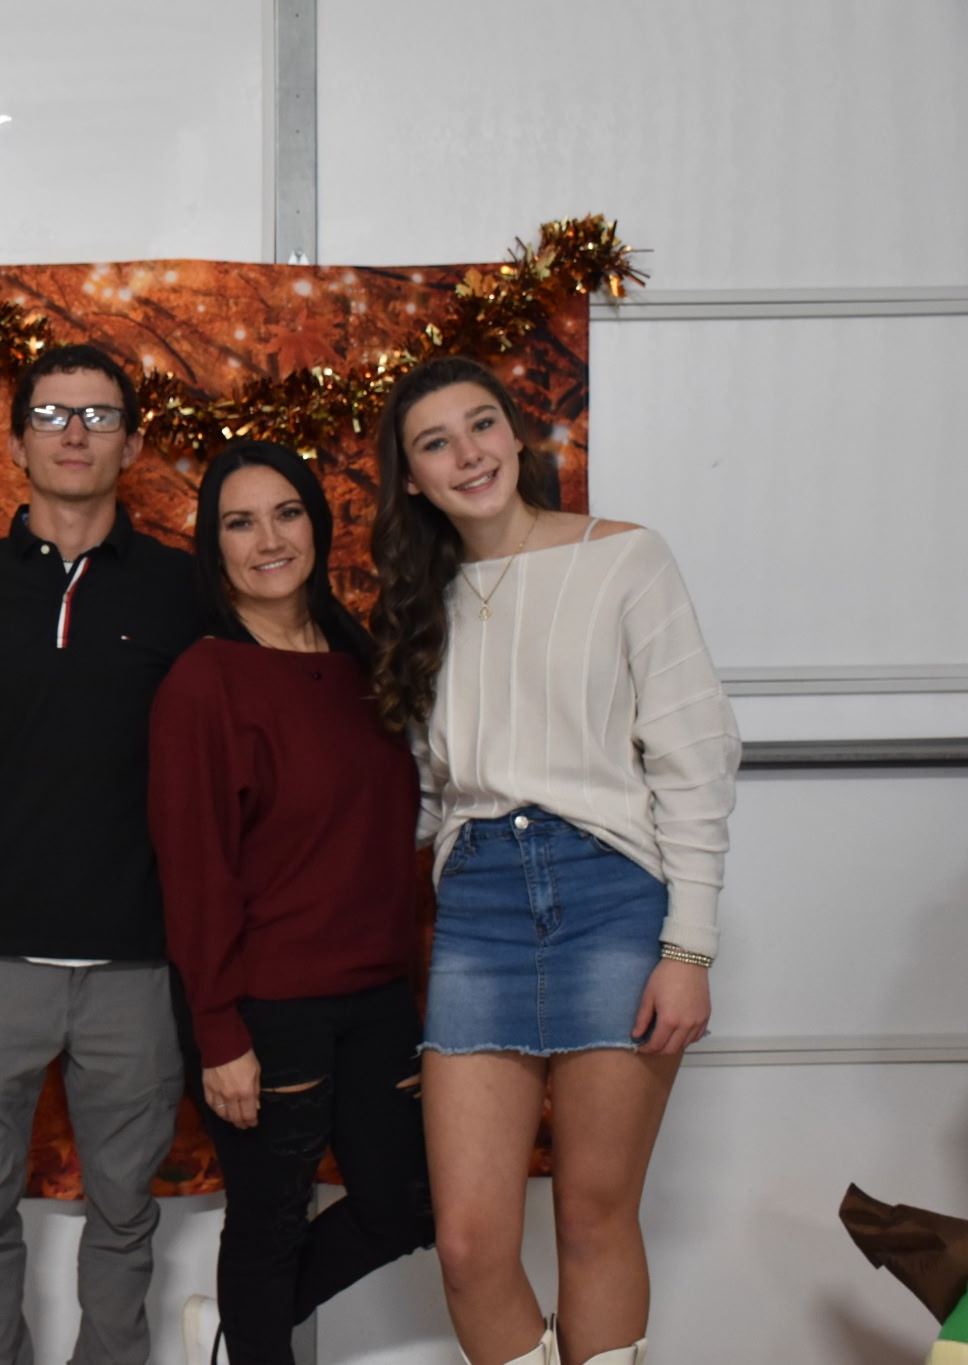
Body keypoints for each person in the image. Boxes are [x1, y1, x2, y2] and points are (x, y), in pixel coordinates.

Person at [368, 356, 741, 1365]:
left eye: (481, 424)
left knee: (591, 1214)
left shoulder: (624, 558)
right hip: (478, 908)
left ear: (515, 433)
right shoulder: (422, 601)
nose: (467, 454)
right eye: (434, 443)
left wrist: (688, 949)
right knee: (467, 1246)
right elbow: (427, 796)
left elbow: (695, 761)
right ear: (412, 479)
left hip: (610, 896)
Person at [0, 343, 203, 1365]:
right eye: (50, 415)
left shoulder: (182, 591)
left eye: (97, 415)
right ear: (15, 443)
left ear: (131, 442)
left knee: (124, 1210)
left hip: (135, 957)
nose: (74, 433)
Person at [149, 440, 437, 1365]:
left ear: (317, 523)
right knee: (270, 1225)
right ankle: (253, 1335)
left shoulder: (365, 665)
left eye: (287, 513)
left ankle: (235, 1332)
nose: (268, 539)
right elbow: (194, 870)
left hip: (379, 998)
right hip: (270, 1009)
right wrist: (218, 1032)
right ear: (215, 546)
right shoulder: (205, 680)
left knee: (405, 1205)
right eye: (240, 522)